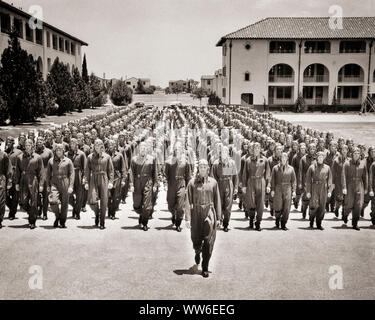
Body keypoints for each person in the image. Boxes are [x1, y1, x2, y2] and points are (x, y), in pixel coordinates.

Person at [186, 159, 221, 278]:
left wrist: (219, 218)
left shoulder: (213, 183)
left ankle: (205, 266)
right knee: (196, 237)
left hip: (209, 213)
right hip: (196, 213)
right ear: (198, 169)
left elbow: (217, 201)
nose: (203, 168)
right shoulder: (192, 183)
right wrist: (187, 218)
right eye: (200, 166)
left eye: (205, 166)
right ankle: (197, 250)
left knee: (208, 240)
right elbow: (187, 201)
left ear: (208, 169)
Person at [85, 139, 114, 229]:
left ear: (102, 146)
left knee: (104, 201)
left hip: (104, 177)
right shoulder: (90, 157)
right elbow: (87, 171)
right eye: (96, 145)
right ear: (94, 146)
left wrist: (110, 182)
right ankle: (97, 214)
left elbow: (111, 170)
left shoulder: (107, 157)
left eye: (100, 145)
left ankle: (102, 222)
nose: (98, 146)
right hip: (93, 178)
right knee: (92, 200)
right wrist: (86, 181)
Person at [15, 139, 44, 229]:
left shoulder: (37, 157)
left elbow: (41, 172)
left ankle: (32, 221)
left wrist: (41, 184)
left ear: (32, 146)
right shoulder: (19, 157)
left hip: (33, 179)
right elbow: (17, 171)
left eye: (29, 145)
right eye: (26, 145)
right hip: (23, 180)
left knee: (33, 201)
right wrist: (16, 183)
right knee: (23, 201)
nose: (27, 147)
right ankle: (32, 212)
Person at [242, 142, 271, 231]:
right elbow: (245, 174)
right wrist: (244, 185)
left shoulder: (265, 160)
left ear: (260, 149)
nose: (256, 150)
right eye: (255, 148)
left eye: (258, 148)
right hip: (251, 181)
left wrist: (268, 185)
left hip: (261, 181)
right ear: (252, 150)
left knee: (260, 203)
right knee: (250, 202)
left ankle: (258, 222)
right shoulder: (248, 160)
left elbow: (268, 174)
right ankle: (251, 219)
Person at [130, 142, 158, 231]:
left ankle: (145, 222)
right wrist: (131, 184)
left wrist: (155, 184)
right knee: (137, 204)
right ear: (139, 149)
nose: (143, 150)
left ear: (147, 149)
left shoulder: (151, 159)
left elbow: (155, 172)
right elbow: (131, 173)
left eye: (145, 148)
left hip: (148, 183)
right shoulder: (134, 159)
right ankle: (141, 215)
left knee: (147, 206)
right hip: (137, 183)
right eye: (141, 148)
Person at [165, 142, 191, 232]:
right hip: (172, 184)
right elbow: (166, 174)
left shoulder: (186, 161)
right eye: (176, 149)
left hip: (181, 184)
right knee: (170, 203)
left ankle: (178, 223)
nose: (178, 150)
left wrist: (188, 187)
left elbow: (188, 175)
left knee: (180, 205)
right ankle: (173, 214)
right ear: (174, 150)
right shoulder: (169, 161)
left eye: (179, 148)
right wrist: (165, 184)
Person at [210, 145, 238, 232]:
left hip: (228, 184)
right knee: (219, 204)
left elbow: (235, 176)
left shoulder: (232, 163)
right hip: (219, 184)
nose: (224, 154)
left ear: (228, 153)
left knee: (228, 206)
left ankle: (226, 223)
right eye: (222, 152)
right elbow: (212, 176)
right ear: (220, 153)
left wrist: (236, 187)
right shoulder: (215, 163)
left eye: (226, 152)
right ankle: (219, 220)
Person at [46, 144, 75, 228]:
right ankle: (57, 216)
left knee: (64, 203)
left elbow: (72, 174)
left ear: (63, 151)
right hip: (54, 182)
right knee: (53, 201)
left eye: (60, 150)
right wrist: (48, 185)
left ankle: (62, 222)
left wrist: (71, 186)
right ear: (55, 151)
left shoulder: (68, 161)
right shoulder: (51, 161)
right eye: (57, 150)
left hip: (65, 181)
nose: (58, 152)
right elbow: (48, 174)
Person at [342, 147, 368, 230]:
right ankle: (345, 214)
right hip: (350, 186)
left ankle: (355, 223)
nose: (356, 155)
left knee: (358, 205)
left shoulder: (363, 164)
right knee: (349, 204)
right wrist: (344, 187)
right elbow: (343, 176)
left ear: (360, 154)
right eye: (355, 153)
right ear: (352, 154)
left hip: (359, 186)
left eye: (358, 153)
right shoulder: (347, 163)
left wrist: (366, 188)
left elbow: (365, 176)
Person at [305, 151, 333, 230]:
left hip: (323, 188)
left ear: (324, 158)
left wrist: (330, 191)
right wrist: (308, 191)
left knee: (322, 206)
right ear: (317, 158)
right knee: (314, 205)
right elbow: (308, 180)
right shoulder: (312, 167)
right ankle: (311, 220)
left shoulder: (327, 167)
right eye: (319, 157)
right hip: (314, 187)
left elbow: (330, 180)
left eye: (322, 157)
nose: (321, 158)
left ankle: (319, 223)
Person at [271, 152, 296, 230]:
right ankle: (277, 220)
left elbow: (294, 180)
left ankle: (283, 223)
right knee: (278, 206)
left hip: (288, 188)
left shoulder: (291, 169)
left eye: (285, 157)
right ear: (280, 158)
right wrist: (272, 189)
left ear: (287, 159)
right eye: (282, 157)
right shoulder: (275, 168)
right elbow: (273, 180)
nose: (284, 159)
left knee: (286, 207)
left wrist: (294, 190)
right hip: (278, 188)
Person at [66, 138, 86, 220]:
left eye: (74, 143)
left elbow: (85, 167)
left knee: (79, 195)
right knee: (68, 194)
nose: (72, 145)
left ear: (77, 144)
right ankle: (75, 207)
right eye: (71, 143)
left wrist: (84, 177)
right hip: (69, 175)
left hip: (78, 174)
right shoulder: (66, 154)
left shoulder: (81, 154)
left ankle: (77, 213)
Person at [107, 139, 127, 219]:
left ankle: (113, 212)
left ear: (115, 146)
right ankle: (109, 210)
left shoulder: (119, 155)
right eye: (109, 144)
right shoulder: (105, 155)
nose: (111, 146)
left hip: (117, 178)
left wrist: (123, 179)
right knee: (108, 196)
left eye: (112, 144)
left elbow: (123, 168)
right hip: (107, 178)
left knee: (116, 197)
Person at [35, 136, 53, 220]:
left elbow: (53, 164)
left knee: (46, 195)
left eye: (41, 140)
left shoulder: (48, 152)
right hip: (36, 175)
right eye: (38, 140)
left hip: (46, 175)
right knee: (36, 194)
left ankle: (45, 213)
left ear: (44, 141)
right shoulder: (34, 151)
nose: (39, 142)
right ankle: (39, 208)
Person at [5, 137, 22, 220]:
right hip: (6, 178)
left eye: (10, 142)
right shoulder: (4, 153)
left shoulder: (18, 152)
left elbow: (22, 164)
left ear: (13, 143)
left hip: (16, 177)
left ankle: (12, 214)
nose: (8, 143)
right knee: (4, 196)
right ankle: (12, 208)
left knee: (15, 197)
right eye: (7, 142)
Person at [0, 148, 12, 229]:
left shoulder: (3, 155)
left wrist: (9, 182)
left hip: (1, 178)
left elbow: (8, 169)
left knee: (1, 200)